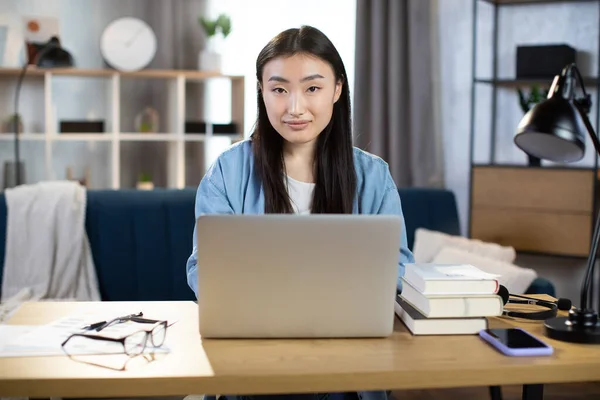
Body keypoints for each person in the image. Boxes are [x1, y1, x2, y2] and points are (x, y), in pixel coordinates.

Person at [186, 25, 414, 400]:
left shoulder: (373, 176)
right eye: (279, 89)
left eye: (312, 88)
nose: (295, 107)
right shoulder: (228, 171)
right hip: (251, 361)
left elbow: (400, 270)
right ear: (262, 91)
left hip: (349, 365)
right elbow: (204, 269)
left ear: (337, 89)